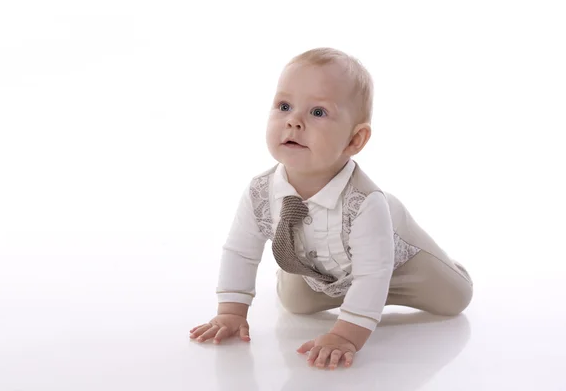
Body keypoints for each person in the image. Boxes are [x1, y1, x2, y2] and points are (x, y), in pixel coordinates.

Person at [189, 47, 473, 370]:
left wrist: (345, 334)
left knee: (456, 297)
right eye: (284, 106)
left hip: (397, 262)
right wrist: (231, 311)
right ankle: (353, 293)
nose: (294, 121)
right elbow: (240, 251)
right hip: (330, 271)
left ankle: (397, 285)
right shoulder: (259, 193)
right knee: (295, 301)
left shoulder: (365, 204)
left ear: (355, 140)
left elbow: (372, 273)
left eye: (318, 113)